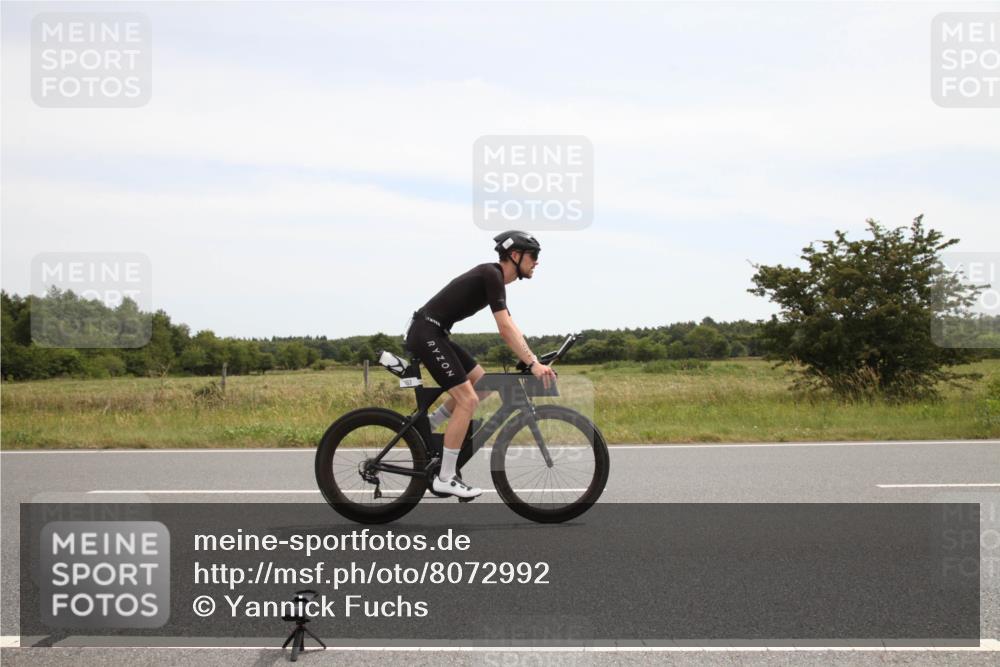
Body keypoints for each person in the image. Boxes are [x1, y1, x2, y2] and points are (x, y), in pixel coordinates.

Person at [404, 230, 557, 500]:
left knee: (483, 384)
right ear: (515, 255)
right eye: (533, 256)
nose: (537, 262)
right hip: (426, 333)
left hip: (435, 333)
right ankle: (446, 477)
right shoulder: (492, 274)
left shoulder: (493, 280)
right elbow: (504, 328)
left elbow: (511, 326)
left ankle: (430, 423)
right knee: (468, 400)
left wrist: (532, 357)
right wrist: (532, 363)